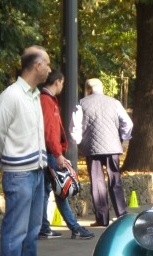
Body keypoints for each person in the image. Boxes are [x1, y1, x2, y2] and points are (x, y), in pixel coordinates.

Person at [0, 45, 52, 256]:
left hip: (36, 169)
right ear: (37, 65)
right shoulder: (12, 95)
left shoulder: (34, 95)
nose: (49, 69)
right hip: (19, 171)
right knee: (16, 229)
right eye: (47, 64)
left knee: (32, 229)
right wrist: (3, 157)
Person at [38, 69, 94, 240]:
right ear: (57, 82)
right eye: (62, 83)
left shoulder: (44, 100)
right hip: (50, 152)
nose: (62, 86)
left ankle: (43, 227)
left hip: (47, 152)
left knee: (47, 190)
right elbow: (50, 131)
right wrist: (58, 154)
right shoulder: (46, 101)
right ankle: (74, 228)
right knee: (61, 190)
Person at [70, 78, 133, 227]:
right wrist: (123, 137)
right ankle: (122, 214)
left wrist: (78, 141)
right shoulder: (114, 102)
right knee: (115, 180)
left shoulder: (82, 103)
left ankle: (102, 219)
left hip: (92, 148)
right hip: (112, 147)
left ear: (88, 89)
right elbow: (128, 123)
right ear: (101, 88)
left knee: (97, 182)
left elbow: (75, 126)